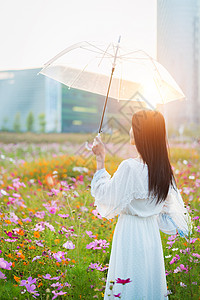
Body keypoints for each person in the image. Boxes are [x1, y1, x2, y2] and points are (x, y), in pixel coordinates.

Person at [90, 109, 192, 300]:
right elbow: (168, 211)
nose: (130, 130)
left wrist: (100, 159)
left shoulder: (130, 167)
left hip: (130, 232)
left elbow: (105, 195)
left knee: (127, 283)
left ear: (141, 134)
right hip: (150, 234)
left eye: (133, 126)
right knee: (147, 283)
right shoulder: (163, 170)